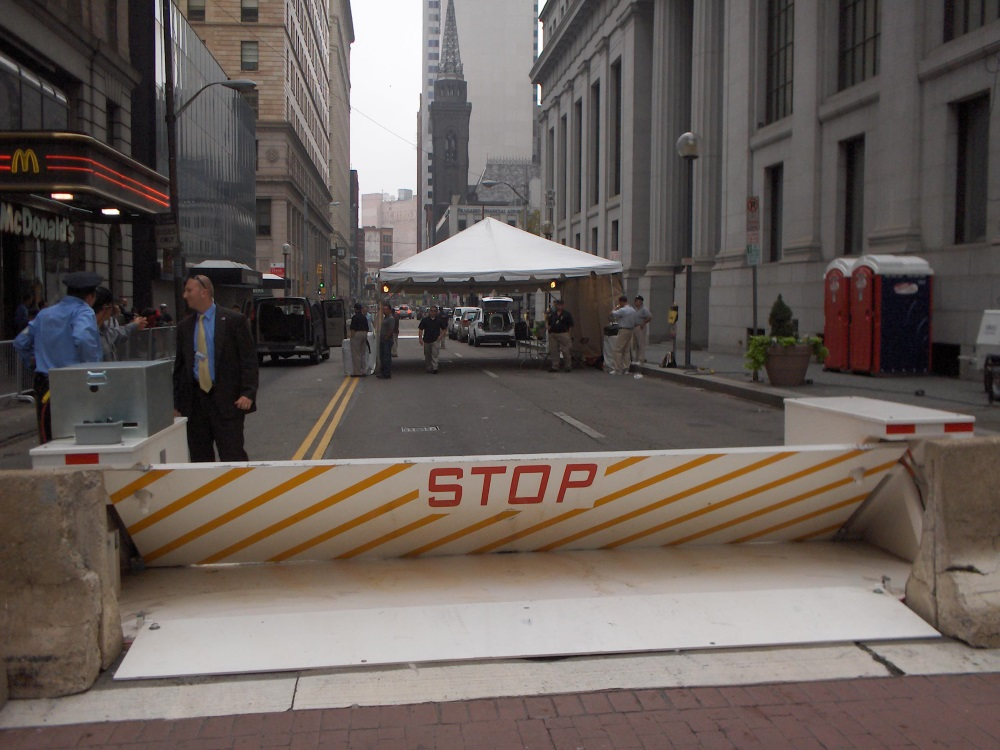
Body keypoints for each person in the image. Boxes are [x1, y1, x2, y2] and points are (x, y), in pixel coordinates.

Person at [172, 273, 259, 462]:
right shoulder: (185, 327)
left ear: (204, 292)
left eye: (189, 290)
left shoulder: (234, 321)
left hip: (227, 403)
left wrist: (248, 393)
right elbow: (179, 369)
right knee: (200, 459)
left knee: (232, 455)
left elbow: (249, 361)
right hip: (195, 405)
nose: (185, 295)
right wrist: (176, 404)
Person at [14, 271, 104, 443]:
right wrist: (92, 368)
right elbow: (83, 338)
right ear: (91, 296)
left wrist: (33, 360)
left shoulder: (44, 314)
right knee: (76, 437)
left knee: (48, 436)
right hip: (74, 382)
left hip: (44, 383)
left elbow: (21, 341)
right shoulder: (83, 311)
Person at [92, 287, 147, 361]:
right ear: (107, 307)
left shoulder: (104, 331)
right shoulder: (89, 335)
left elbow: (119, 333)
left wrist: (135, 325)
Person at [609, 295, 638, 375]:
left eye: (619, 303)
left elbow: (612, 314)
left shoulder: (623, 310)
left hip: (623, 329)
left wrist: (615, 308)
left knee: (617, 349)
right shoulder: (632, 310)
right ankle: (626, 368)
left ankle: (617, 368)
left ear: (621, 302)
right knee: (626, 350)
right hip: (630, 330)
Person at [546, 298, 574, 372]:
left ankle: (568, 366)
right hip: (553, 333)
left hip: (563, 333)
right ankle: (555, 366)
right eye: (558, 304)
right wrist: (549, 330)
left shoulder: (567, 314)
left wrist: (569, 334)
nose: (559, 306)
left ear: (563, 305)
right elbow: (548, 323)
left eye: (560, 304)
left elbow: (571, 325)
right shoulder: (553, 314)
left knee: (566, 350)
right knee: (554, 350)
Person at [417, 303, 444, 373]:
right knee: (427, 355)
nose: (433, 312)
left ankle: (435, 367)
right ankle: (428, 367)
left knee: (435, 354)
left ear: (437, 312)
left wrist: (440, 336)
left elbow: (444, 328)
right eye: (432, 311)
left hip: (435, 340)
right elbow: (420, 329)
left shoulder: (439, 320)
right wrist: (420, 338)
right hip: (426, 340)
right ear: (429, 312)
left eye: (435, 311)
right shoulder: (425, 320)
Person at [376, 301, 396, 379]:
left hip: (387, 340)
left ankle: (387, 373)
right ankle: (383, 372)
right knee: (382, 357)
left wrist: (386, 338)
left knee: (386, 357)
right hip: (383, 340)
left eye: (385, 309)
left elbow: (391, 330)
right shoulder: (385, 318)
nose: (384, 311)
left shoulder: (391, 318)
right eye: (383, 309)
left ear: (390, 310)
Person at [348, 302, 370, 377]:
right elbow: (367, 328)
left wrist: (351, 337)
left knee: (356, 354)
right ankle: (364, 370)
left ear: (355, 309)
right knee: (363, 353)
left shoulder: (355, 317)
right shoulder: (364, 317)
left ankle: (357, 372)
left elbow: (353, 329)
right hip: (364, 334)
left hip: (357, 334)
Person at [632, 295, 653, 364]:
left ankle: (641, 360)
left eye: (637, 301)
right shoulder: (635, 309)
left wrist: (643, 323)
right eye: (635, 301)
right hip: (634, 327)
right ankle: (637, 358)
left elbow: (650, 316)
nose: (635, 302)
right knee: (636, 344)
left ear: (640, 302)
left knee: (641, 344)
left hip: (640, 327)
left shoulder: (644, 309)